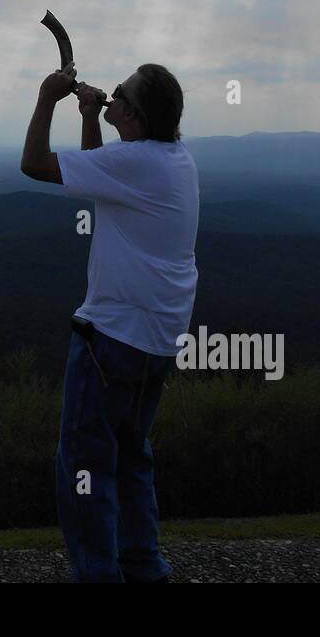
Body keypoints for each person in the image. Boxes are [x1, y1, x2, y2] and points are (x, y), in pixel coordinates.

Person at [21, 61, 198, 583]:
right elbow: (103, 175)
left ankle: (100, 575)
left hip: (112, 342)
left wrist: (46, 99)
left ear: (136, 117)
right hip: (157, 342)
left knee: (83, 469)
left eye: (119, 94)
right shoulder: (174, 159)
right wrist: (90, 115)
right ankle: (144, 569)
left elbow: (33, 163)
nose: (111, 94)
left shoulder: (137, 161)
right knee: (129, 458)